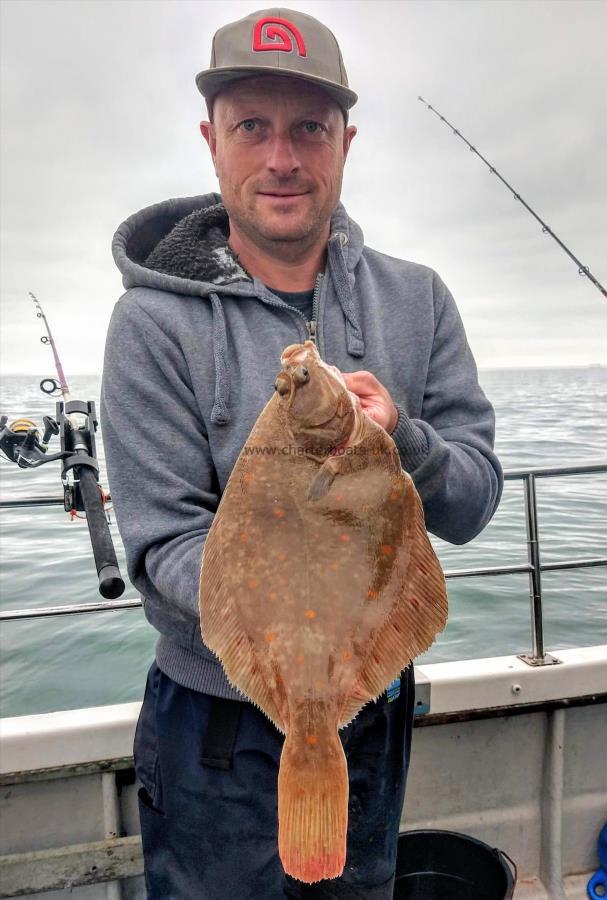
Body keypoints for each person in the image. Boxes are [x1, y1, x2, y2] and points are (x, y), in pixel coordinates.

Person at [100, 7, 503, 899]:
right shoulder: (151, 326)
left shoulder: (419, 300)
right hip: (215, 724)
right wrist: (289, 645)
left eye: (309, 129)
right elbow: (162, 547)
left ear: (345, 143)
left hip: (372, 710)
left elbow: (473, 502)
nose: (282, 157)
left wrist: (402, 441)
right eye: (253, 126)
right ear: (212, 140)